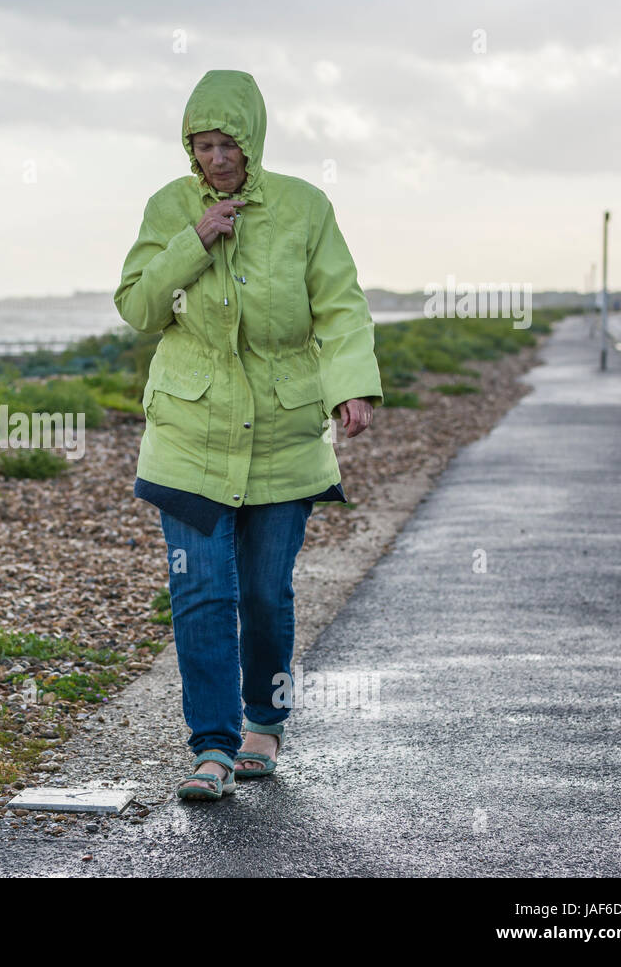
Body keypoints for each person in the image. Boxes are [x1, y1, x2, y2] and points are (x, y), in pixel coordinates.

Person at [114, 69, 383, 801]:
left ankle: (264, 721)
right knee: (201, 590)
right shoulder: (168, 207)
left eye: (226, 142)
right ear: (188, 147)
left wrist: (351, 383)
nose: (216, 158)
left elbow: (340, 305)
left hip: (284, 430)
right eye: (202, 145)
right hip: (188, 430)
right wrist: (193, 241)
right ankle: (212, 748)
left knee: (265, 592)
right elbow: (139, 307)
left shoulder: (304, 207)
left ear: (250, 140)